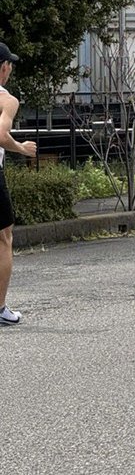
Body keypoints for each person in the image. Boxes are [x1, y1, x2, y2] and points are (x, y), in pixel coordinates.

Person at [0, 41, 37, 326]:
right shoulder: (6, 100)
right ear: (4, 68)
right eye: (10, 64)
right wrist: (22, 148)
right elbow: (0, 135)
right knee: (4, 237)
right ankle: (0, 309)